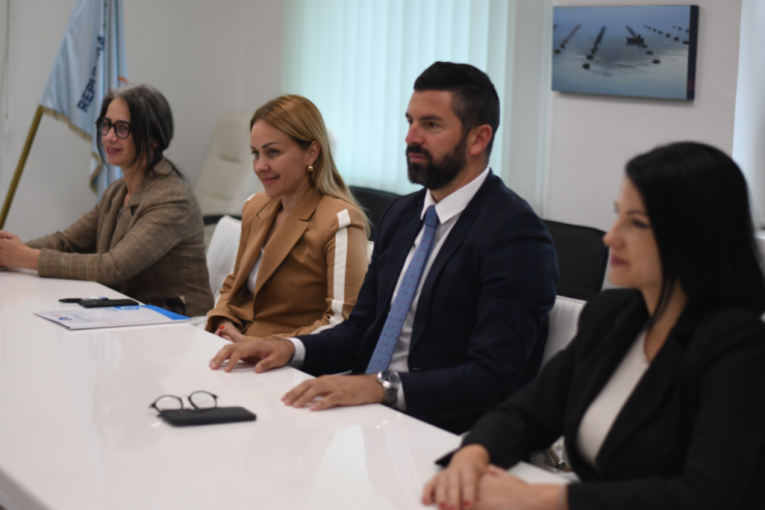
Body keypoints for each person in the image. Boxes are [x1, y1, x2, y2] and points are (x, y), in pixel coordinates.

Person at [210, 62, 558, 434]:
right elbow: (361, 328)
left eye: (431, 125)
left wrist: (380, 388)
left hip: (440, 430)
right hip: (367, 418)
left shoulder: (515, 235)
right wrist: (289, 348)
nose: (411, 137)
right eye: (410, 121)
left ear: (478, 139)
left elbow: (492, 378)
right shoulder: (403, 214)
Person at [423, 142, 765, 510]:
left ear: (695, 236)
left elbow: (705, 494)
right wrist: (475, 453)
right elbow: (528, 413)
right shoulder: (612, 315)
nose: (611, 236)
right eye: (619, 216)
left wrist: (547, 497)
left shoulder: (739, 347)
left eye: (637, 223)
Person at [0, 84, 213, 317]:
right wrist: (10, 251)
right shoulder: (117, 191)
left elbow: (112, 267)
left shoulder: (172, 197)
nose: (109, 136)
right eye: (106, 125)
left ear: (153, 138)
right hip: (129, 314)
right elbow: (68, 241)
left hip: (177, 323)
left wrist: (24, 257)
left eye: (123, 128)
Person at [204, 94, 369, 342]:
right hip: (233, 344)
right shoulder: (255, 207)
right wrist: (225, 326)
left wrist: (256, 346)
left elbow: (342, 323)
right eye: (255, 153)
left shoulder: (340, 221)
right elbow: (233, 287)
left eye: (272, 152)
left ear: (311, 153)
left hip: (288, 358)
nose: (259, 166)